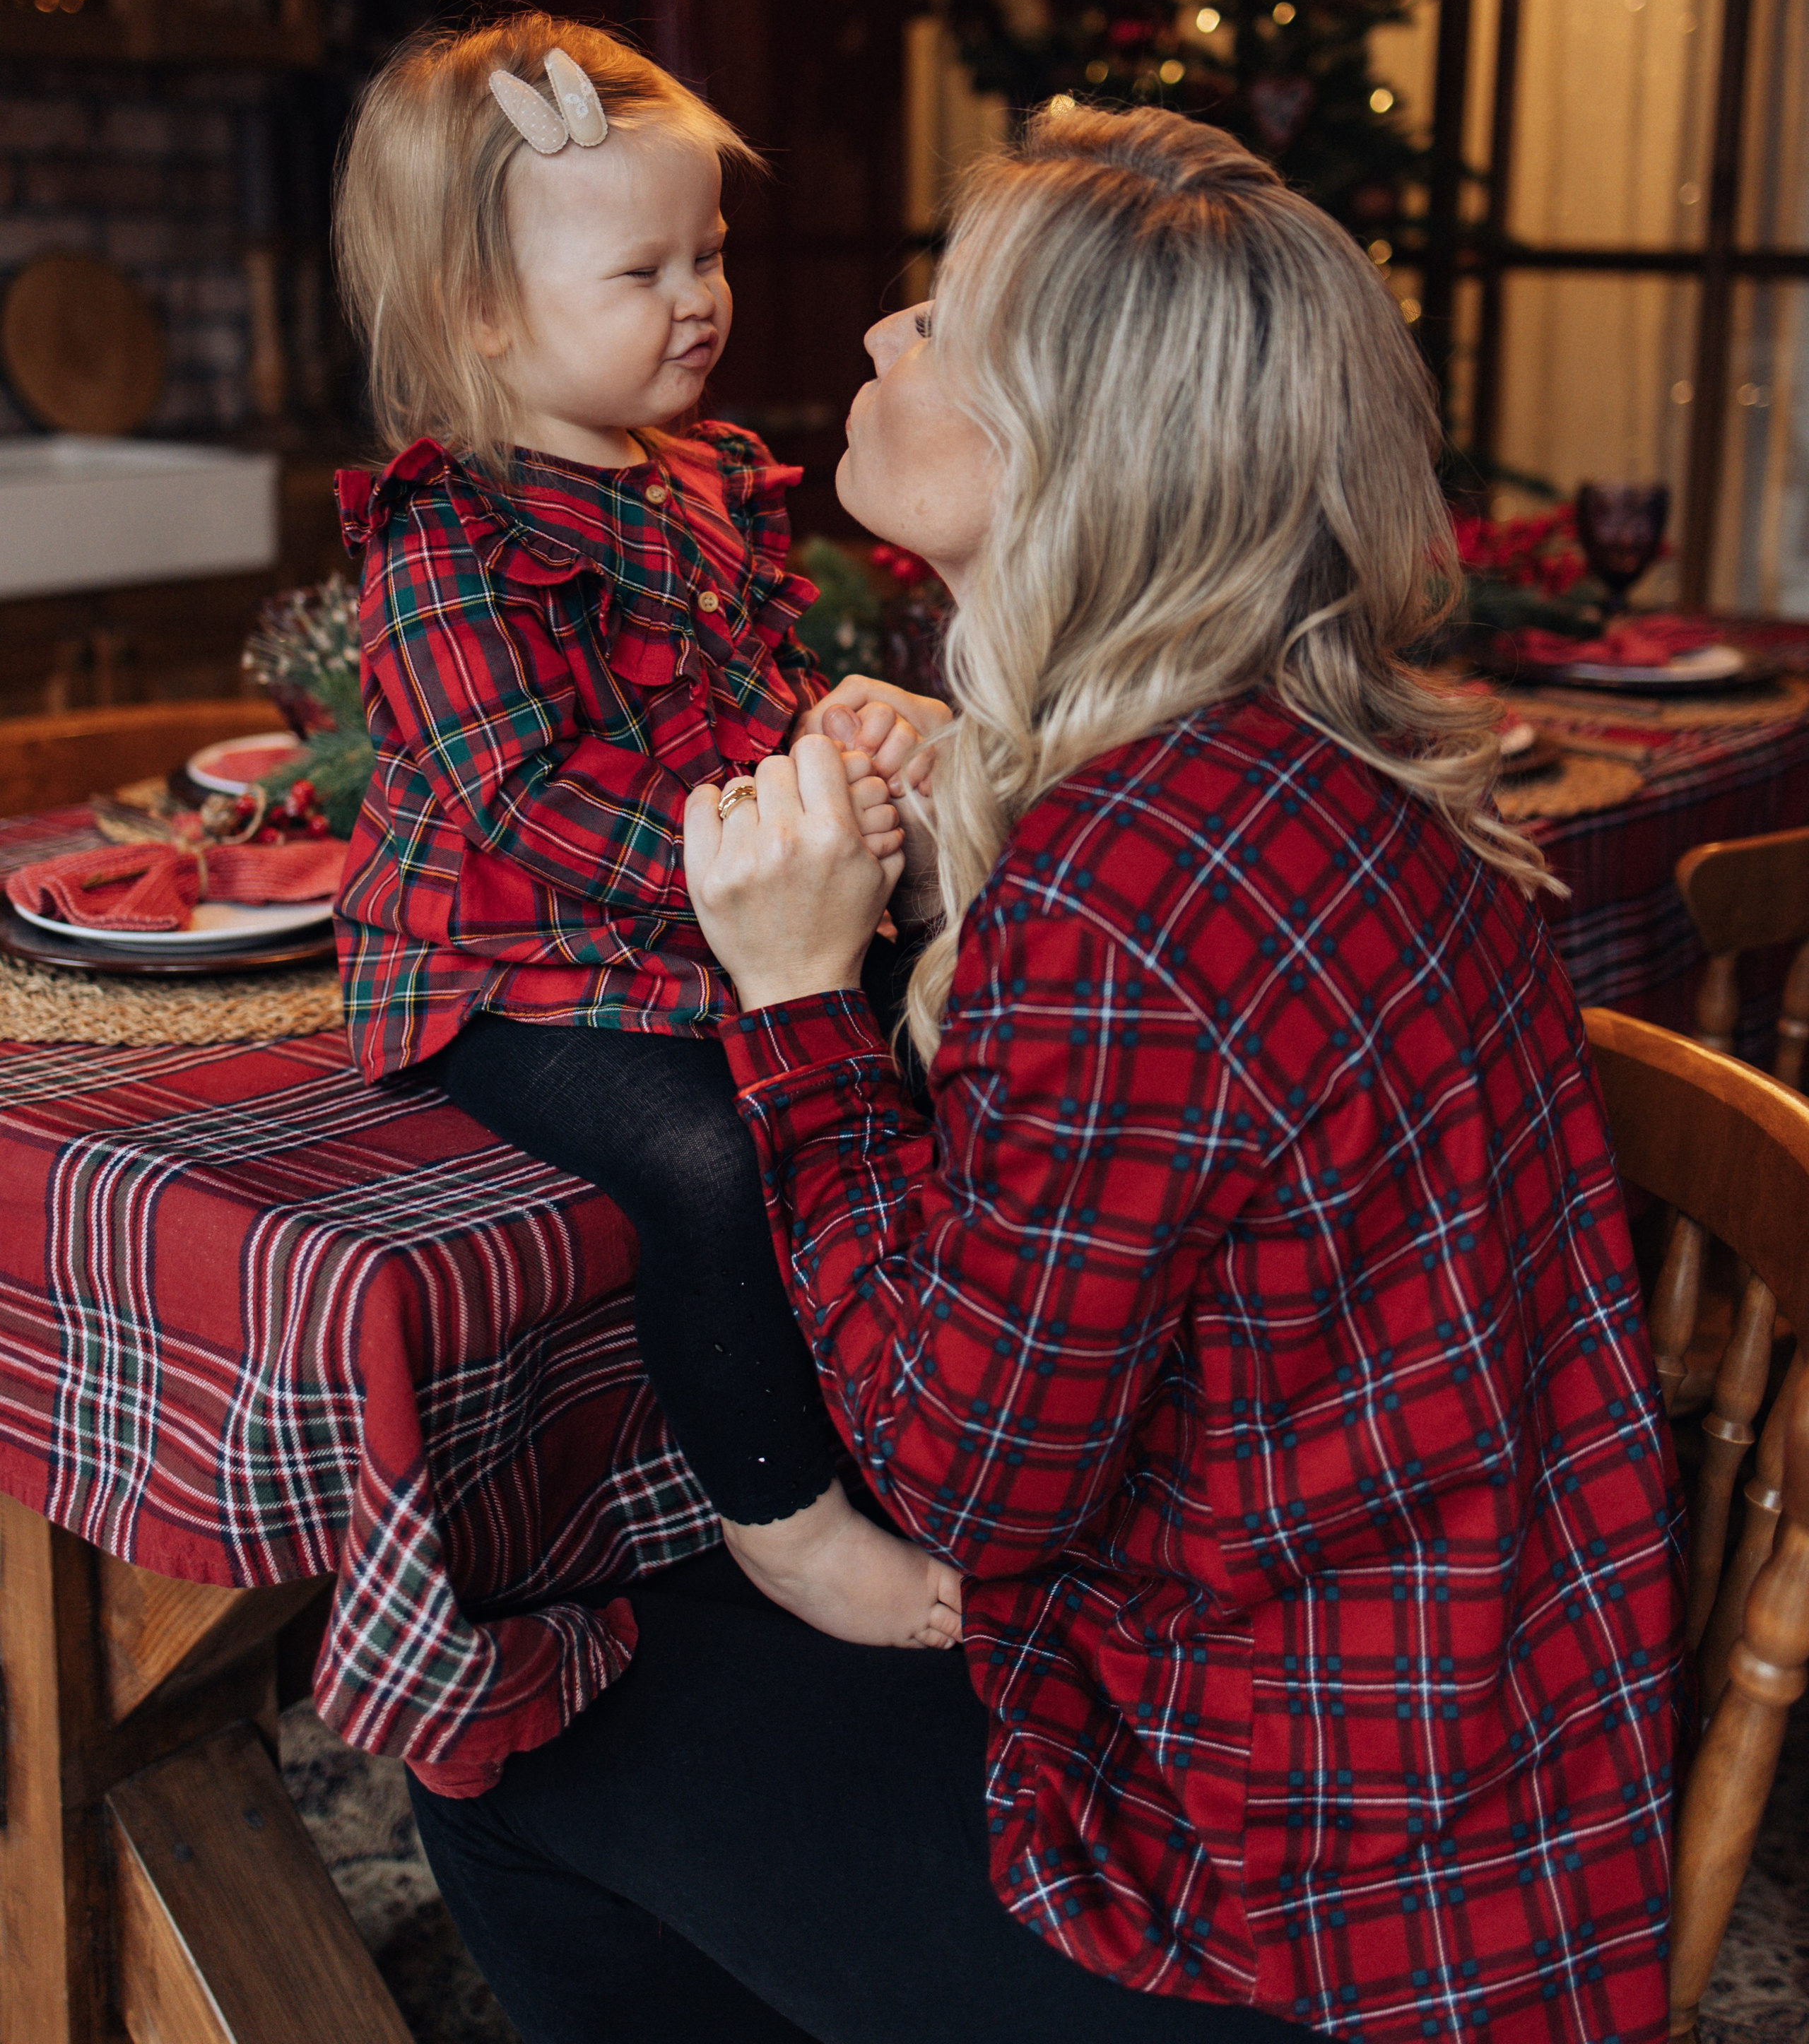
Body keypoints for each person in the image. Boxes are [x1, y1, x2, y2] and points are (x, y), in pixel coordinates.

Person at [408, 105, 1686, 2044]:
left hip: (1292, 1906)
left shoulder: (1135, 885)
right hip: (1481, 1781)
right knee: (704, 1628)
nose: (871, 337)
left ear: (1060, 442)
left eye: (939, 319)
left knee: (496, 1735)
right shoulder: (1306, 762)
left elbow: (962, 1470)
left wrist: (797, 997)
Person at [331, 11, 961, 1650]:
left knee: (911, 1056)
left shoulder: (703, 481)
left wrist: (830, 733)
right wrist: (749, 840)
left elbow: (750, 677)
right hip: (507, 968)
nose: (698, 296)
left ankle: (922, 1422)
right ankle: (783, 1520)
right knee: (708, 1147)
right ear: (481, 314)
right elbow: (521, 799)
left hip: (711, 924)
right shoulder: (445, 533)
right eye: (640, 272)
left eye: (710, 252)